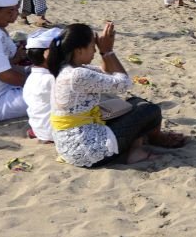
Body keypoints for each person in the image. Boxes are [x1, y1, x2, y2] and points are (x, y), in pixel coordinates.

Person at [48, 22, 186, 167]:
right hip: (85, 149)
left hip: (73, 142)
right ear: (79, 51)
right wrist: (108, 52)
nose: (95, 50)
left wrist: (105, 52)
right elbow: (125, 83)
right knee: (150, 110)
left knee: (134, 102)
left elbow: (106, 71)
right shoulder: (77, 75)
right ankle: (144, 147)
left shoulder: (69, 69)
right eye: (92, 46)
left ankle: (141, 145)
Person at [23, 28, 61, 143]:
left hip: (39, 129)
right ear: (48, 54)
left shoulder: (32, 77)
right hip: (54, 132)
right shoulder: (52, 79)